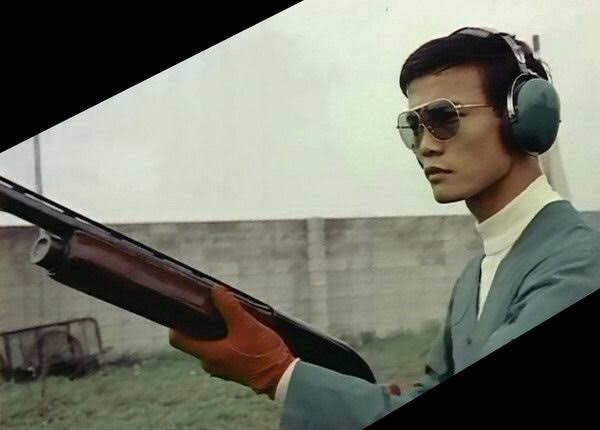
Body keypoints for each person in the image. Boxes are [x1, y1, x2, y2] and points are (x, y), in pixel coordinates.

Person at [169, 27, 600, 429]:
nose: (426, 145)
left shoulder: (580, 264)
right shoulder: (476, 275)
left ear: (523, 117)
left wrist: (279, 374)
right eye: (414, 126)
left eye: (444, 118)